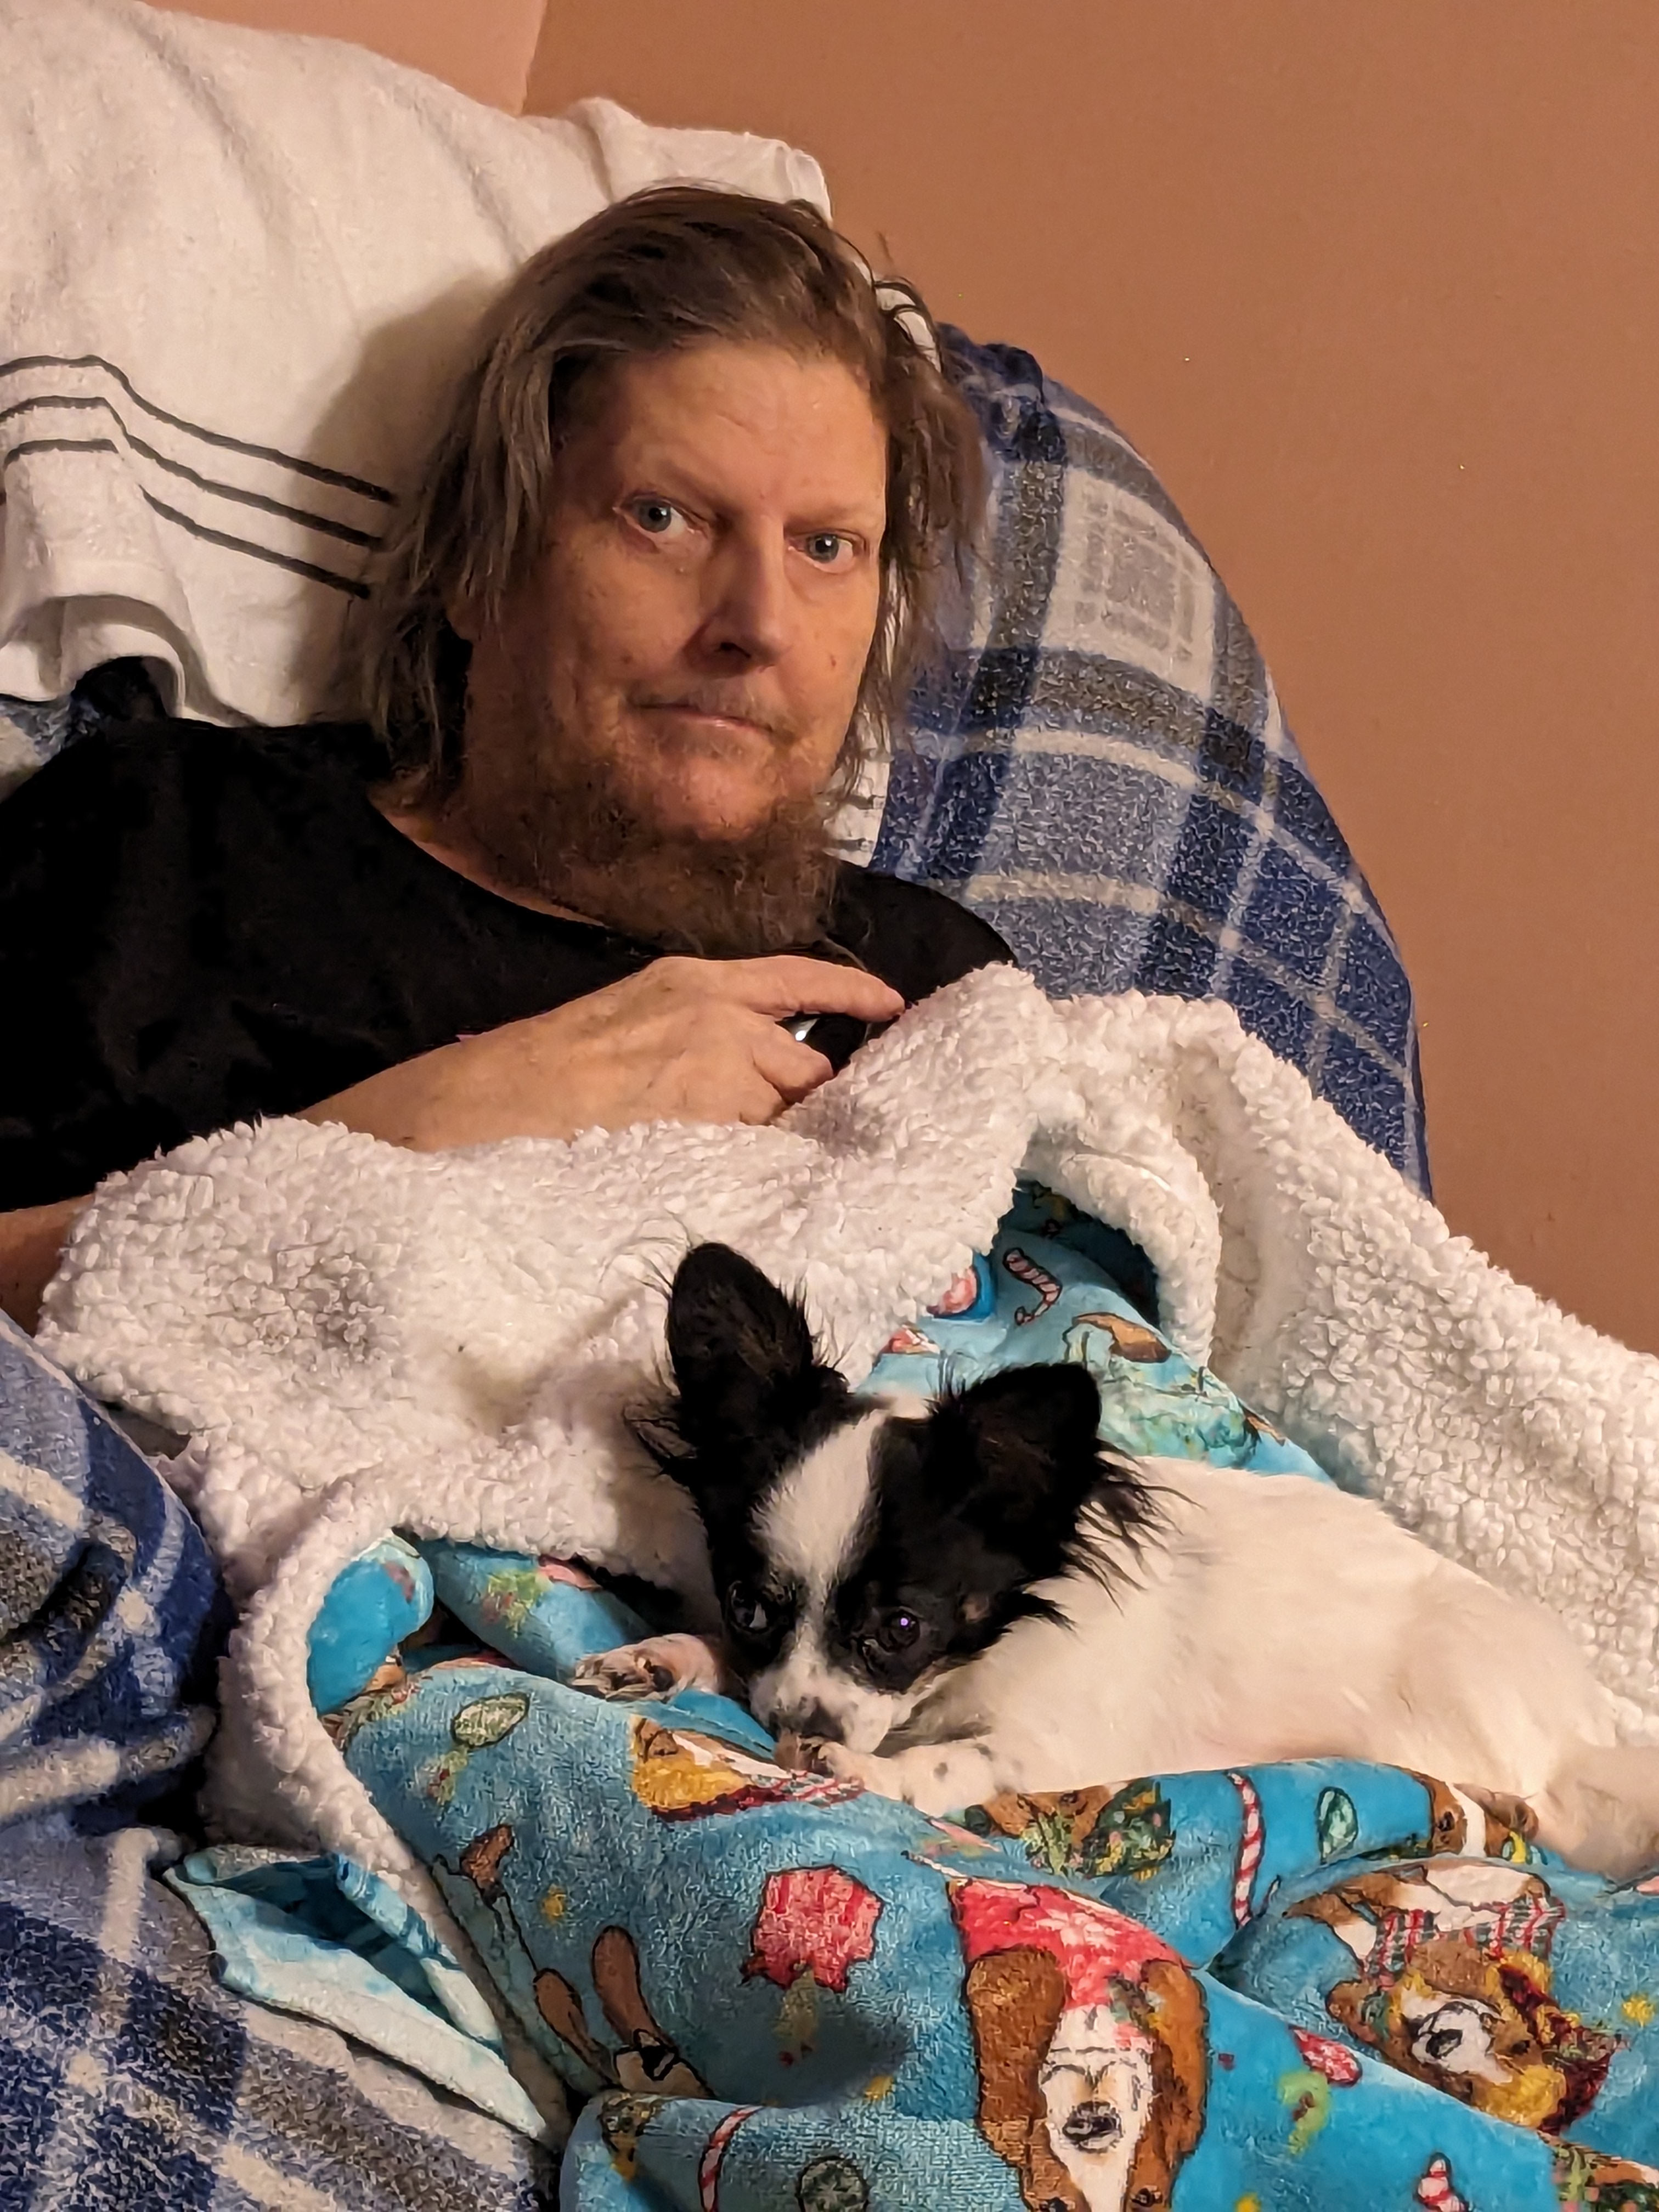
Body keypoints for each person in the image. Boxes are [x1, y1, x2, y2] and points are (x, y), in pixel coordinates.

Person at [0, 187, 1010, 1330]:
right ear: (478, 565)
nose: (760, 623)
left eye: (826, 546)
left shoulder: (936, 997)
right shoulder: (170, 845)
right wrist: (408, 1137)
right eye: (664, 518)